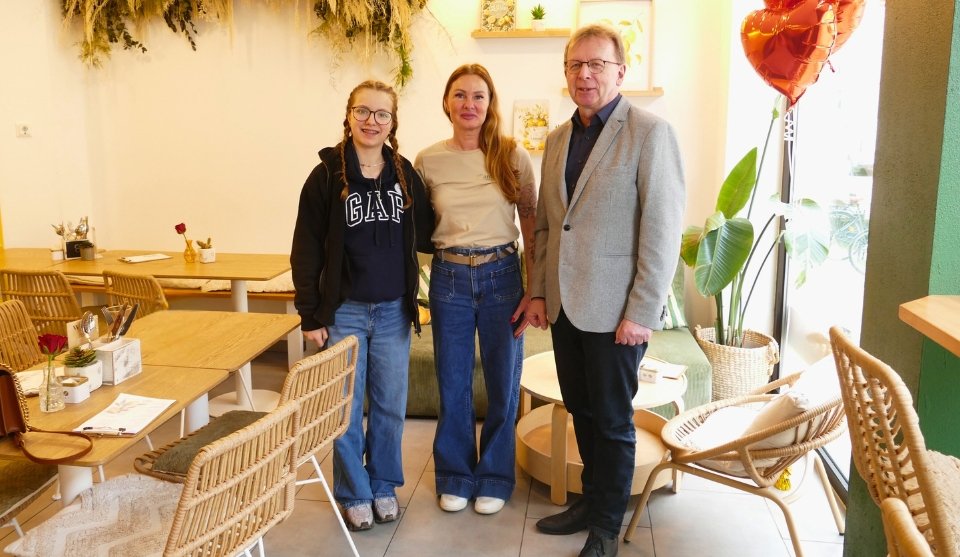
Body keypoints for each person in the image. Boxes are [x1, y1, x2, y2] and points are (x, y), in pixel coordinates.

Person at [525, 24, 686, 557]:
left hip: (619, 312)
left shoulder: (649, 132)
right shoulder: (555, 140)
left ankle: (606, 529)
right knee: (582, 411)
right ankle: (590, 503)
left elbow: (661, 230)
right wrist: (541, 293)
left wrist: (642, 309)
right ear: (566, 74)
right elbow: (549, 226)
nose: (585, 74)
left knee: (615, 421)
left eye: (597, 65)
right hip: (567, 307)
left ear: (621, 71)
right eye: (576, 65)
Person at [291, 79, 434, 532]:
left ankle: (384, 484)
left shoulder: (405, 173)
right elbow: (306, 248)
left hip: (393, 310)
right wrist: (310, 314)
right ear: (349, 116)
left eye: (382, 114)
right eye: (363, 112)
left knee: (391, 404)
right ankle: (354, 491)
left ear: (393, 123)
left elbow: (429, 229)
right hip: (345, 310)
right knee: (347, 408)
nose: (372, 121)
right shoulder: (326, 175)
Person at [415, 63, 537, 516]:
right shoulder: (427, 160)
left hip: (502, 275)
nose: (469, 104)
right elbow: (417, 227)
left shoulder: (512, 155)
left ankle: (494, 476)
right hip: (449, 278)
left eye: (478, 96)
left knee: (504, 382)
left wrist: (534, 287)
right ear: (447, 101)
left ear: (490, 104)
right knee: (453, 381)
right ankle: (455, 475)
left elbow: (531, 224)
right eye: (460, 95)